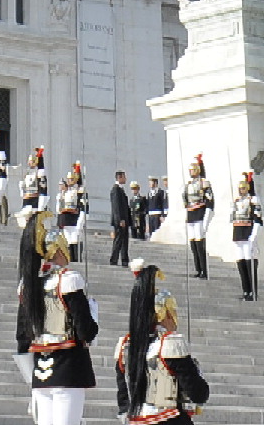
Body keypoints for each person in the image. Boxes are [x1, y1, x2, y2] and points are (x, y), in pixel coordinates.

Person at [16, 214, 95, 425]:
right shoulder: (69, 280)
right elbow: (85, 330)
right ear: (60, 250)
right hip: (67, 366)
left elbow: (22, 335)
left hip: (41, 369)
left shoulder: (31, 286)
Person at [114, 265, 206, 425]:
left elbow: (123, 398)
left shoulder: (125, 346)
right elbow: (198, 393)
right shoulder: (170, 345)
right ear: (163, 314)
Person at [224, 170, 259, 302]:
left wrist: (253, 235)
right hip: (238, 232)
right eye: (240, 188)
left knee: (249, 261)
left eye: (244, 188)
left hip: (248, 231)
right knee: (241, 261)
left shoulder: (252, 200)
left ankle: (253, 291)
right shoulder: (237, 201)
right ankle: (246, 290)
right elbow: (232, 217)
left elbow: (257, 219)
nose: (241, 190)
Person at [179, 161, 211, 282]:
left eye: (192, 170)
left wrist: (206, 218)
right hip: (191, 215)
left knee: (199, 242)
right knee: (193, 243)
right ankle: (198, 269)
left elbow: (209, 201)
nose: (191, 172)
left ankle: (204, 269)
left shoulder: (204, 183)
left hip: (199, 214)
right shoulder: (188, 185)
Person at [104, 175, 134, 270]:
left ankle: (125, 259)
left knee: (124, 240)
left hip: (124, 220)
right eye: (124, 177)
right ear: (119, 178)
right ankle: (114, 259)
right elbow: (116, 207)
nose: (125, 179)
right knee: (118, 240)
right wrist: (120, 219)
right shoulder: (116, 190)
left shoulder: (121, 190)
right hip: (120, 221)